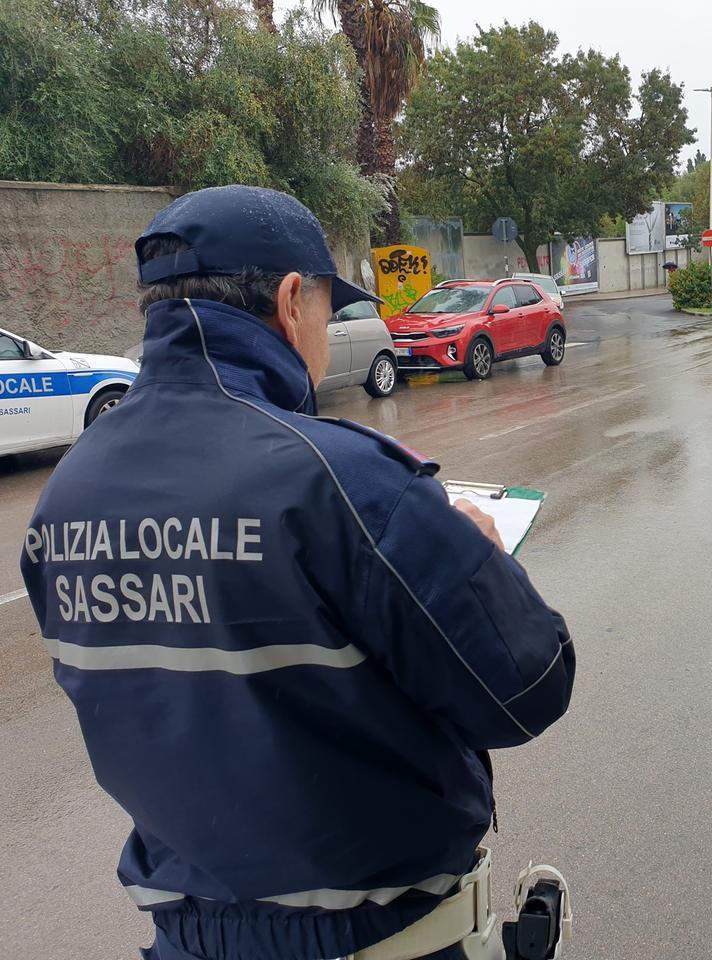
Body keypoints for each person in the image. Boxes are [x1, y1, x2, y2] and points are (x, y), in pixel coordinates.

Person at [20, 185, 575, 960]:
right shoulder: (343, 478)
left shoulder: (66, 497)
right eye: (326, 308)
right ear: (290, 301)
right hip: (380, 938)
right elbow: (528, 688)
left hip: (185, 939)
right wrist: (477, 553)